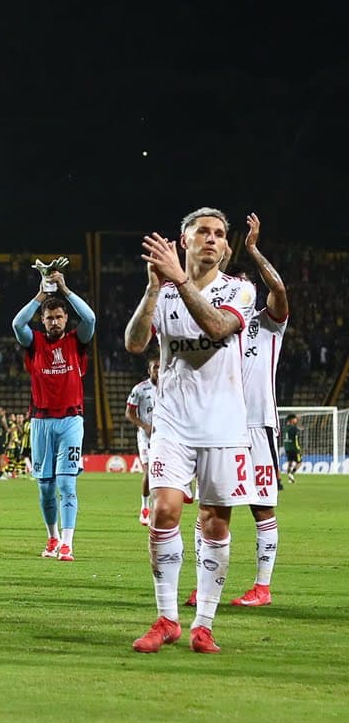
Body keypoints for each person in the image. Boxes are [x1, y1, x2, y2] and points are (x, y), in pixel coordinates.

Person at [125, 206, 256, 654]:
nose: (213, 239)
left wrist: (179, 283)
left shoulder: (239, 290)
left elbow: (218, 327)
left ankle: (204, 624)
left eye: (220, 234)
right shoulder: (163, 293)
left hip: (223, 426)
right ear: (185, 241)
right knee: (163, 512)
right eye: (203, 232)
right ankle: (166, 619)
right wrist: (151, 290)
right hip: (173, 424)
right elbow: (134, 343)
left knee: (214, 523)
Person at [222, 214, 288, 608]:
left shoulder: (269, 325)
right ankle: (209, 585)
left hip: (257, 424)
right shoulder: (219, 326)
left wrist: (252, 251)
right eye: (239, 287)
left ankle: (262, 587)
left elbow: (278, 288)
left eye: (250, 288)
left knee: (261, 506)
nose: (245, 293)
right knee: (215, 507)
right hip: (221, 424)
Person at [12, 267, 95, 561]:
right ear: (43, 321)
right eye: (49, 318)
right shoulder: (34, 342)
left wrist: (66, 290)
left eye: (59, 317)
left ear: (65, 319)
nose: (55, 322)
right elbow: (16, 323)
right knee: (45, 488)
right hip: (41, 422)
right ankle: (52, 538)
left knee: (65, 483)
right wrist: (41, 294)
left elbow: (91, 318)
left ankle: (68, 543)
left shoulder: (76, 340)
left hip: (71, 420)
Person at [125, 355, 159, 525]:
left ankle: (158, 506)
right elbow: (129, 413)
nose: (158, 371)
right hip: (146, 437)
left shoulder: (170, 386)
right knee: (148, 472)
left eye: (161, 367)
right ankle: (145, 507)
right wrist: (144, 426)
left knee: (161, 473)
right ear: (149, 370)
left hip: (165, 436)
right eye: (155, 368)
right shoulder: (140, 389)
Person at [282, 414, 302, 483]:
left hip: (287, 448)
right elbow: (296, 440)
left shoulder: (285, 428)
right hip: (294, 448)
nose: (296, 420)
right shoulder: (294, 429)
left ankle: (289, 478)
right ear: (292, 420)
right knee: (299, 463)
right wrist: (298, 448)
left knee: (290, 463)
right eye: (295, 419)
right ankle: (291, 474)